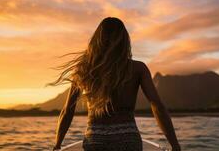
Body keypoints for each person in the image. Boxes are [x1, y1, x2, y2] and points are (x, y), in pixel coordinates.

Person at [50, 17, 181, 151]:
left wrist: (57, 144)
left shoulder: (84, 69)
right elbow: (156, 105)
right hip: (128, 140)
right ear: (124, 41)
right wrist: (175, 145)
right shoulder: (137, 68)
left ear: (97, 40)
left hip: (95, 141)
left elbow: (68, 110)